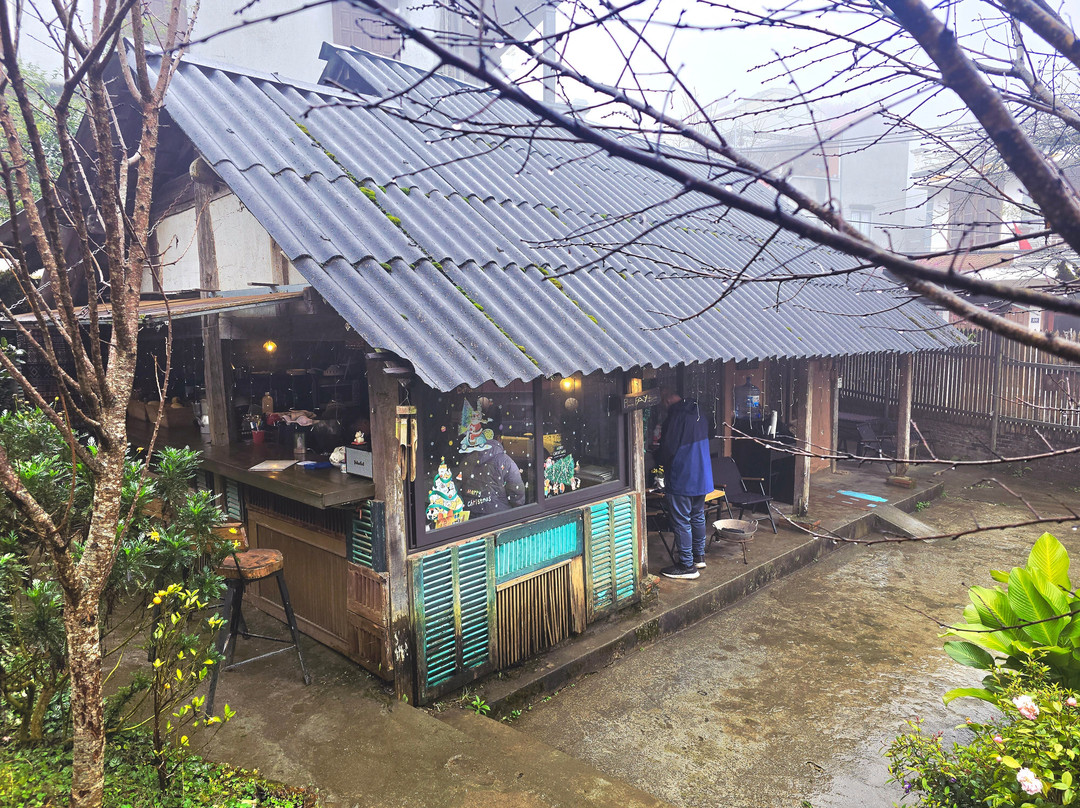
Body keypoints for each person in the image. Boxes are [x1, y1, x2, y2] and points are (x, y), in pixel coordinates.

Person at [656, 390, 714, 580]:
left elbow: (668, 448)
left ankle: (686, 565)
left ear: (667, 401)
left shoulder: (676, 416)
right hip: (702, 474)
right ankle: (699, 557)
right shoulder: (699, 411)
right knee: (697, 515)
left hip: (682, 475)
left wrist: (658, 460)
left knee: (681, 520)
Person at [457, 406, 527, 516]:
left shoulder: (467, 460)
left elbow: (460, 487)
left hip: (471, 517)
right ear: (498, 438)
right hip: (500, 517)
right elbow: (517, 493)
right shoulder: (505, 462)